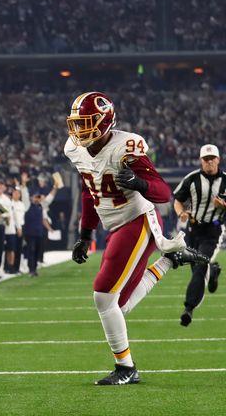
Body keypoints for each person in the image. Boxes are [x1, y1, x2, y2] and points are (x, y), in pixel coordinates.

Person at [64, 91, 209, 385]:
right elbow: (88, 190)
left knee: (103, 295)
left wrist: (139, 183)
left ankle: (126, 368)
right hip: (114, 224)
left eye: (87, 122)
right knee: (119, 305)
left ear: (104, 121)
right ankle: (168, 261)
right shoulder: (75, 149)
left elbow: (163, 192)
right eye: (77, 123)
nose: (80, 130)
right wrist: (84, 233)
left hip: (138, 219)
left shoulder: (125, 146)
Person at [172, 144, 226, 326]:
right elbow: (177, 200)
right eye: (206, 159)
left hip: (213, 230)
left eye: (212, 159)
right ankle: (213, 272)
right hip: (193, 229)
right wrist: (181, 213)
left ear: (218, 159)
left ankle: (189, 309)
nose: (209, 162)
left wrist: (224, 206)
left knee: (201, 263)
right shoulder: (192, 179)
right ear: (201, 161)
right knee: (196, 267)